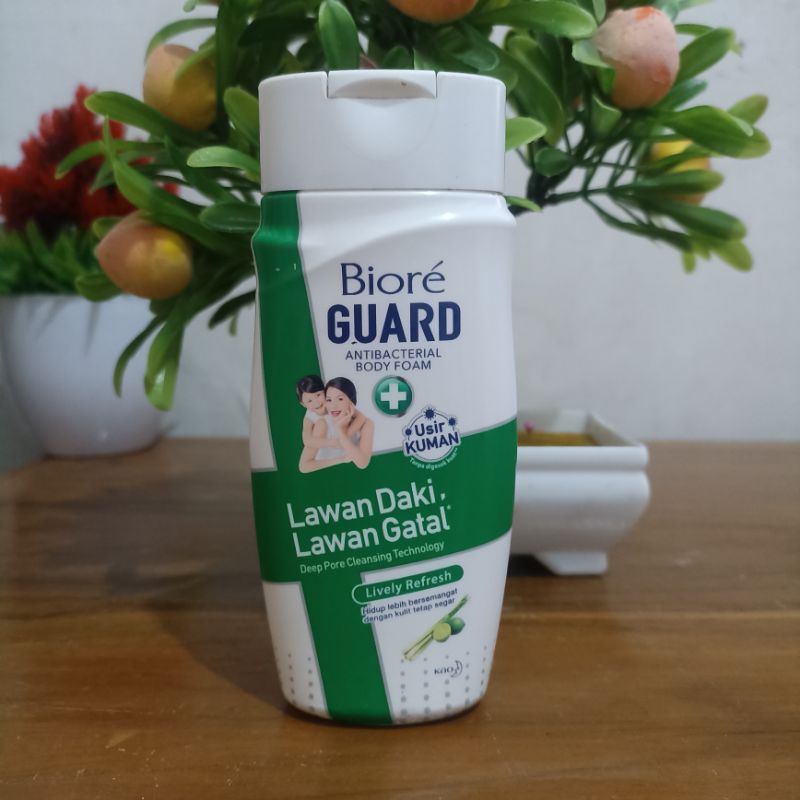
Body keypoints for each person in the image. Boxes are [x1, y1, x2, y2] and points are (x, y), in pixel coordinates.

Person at [295, 375, 351, 473]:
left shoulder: (337, 401)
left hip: (344, 447)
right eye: (309, 401)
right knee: (322, 424)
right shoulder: (313, 418)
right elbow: (307, 440)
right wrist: (333, 443)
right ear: (303, 404)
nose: (316, 402)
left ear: (325, 391)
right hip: (327, 454)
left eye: (318, 395)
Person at [323, 377, 374, 470]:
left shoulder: (366, 424)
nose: (333, 406)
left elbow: (362, 463)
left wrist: (340, 430)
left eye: (340, 399)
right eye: (329, 400)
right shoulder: (321, 422)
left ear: (351, 401)